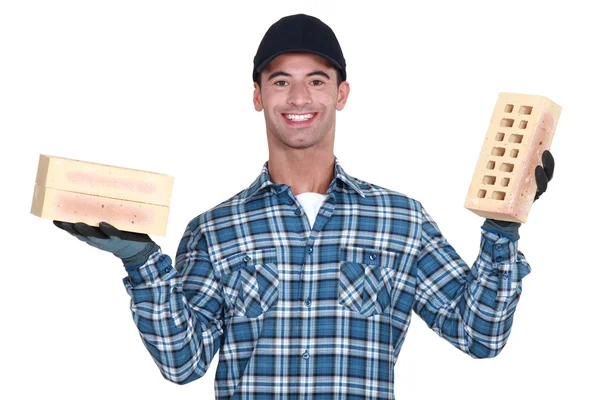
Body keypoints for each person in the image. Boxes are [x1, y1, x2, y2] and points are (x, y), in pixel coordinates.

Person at [54, 13, 555, 400]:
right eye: (280, 81)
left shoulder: (401, 221)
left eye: (316, 80)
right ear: (257, 96)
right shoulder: (216, 229)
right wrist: (142, 264)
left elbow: (479, 334)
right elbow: (183, 363)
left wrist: (502, 229)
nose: (299, 95)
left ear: (341, 94)